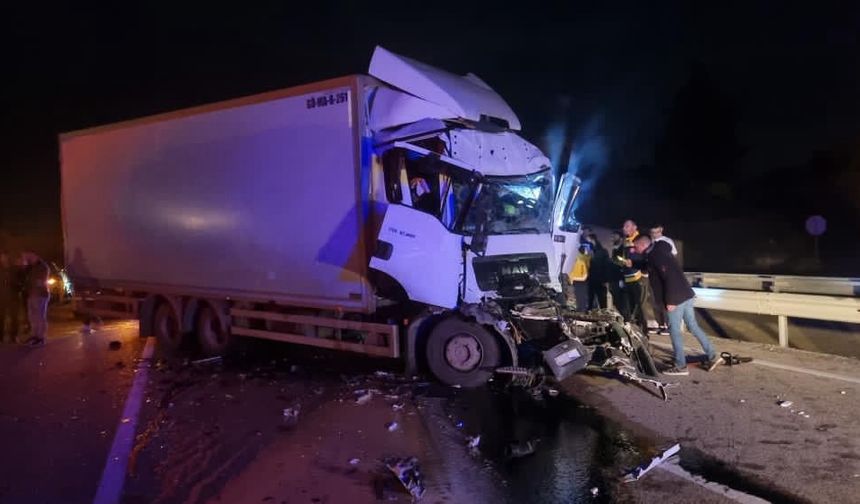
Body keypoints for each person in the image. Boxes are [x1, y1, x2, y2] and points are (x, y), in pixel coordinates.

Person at [632, 234, 722, 375]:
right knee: (692, 326)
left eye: (635, 246)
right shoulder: (657, 252)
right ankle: (712, 355)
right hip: (685, 294)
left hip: (676, 298)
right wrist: (632, 263)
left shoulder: (656, 255)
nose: (634, 249)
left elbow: (670, 277)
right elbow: (648, 267)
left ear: (643, 245)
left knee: (674, 331)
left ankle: (680, 366)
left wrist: (671, 301)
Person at [616, 219, 646, 328]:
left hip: (638, 278)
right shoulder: (626, 241)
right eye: (624, 226)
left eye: (627, 226)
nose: (624, 228)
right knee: (629, 306)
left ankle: (643, 331)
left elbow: (643, 258)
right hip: (628, 278)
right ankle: (632, 329)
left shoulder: (640, 240)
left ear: (635, 227)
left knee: (639, 308)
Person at [22, 252, 51, 347]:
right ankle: (34, 335)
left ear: (34, 255)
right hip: (31, 294)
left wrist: (33, 285)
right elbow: (24, 278)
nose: (26, 257)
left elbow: (40, 281)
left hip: (40, 295)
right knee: (32, 316)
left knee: (40, 316)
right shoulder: (30, 267)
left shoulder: (42, 266)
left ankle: (41, 337)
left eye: (27, 255)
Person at [585, 229, 610, 309]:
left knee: (601, 299)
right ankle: (591, 311)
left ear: (593, 240)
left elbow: (606, 265)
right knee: (591, 298)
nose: (587, 243)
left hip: (599, 278)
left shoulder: (601, 252)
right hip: (593, 277)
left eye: (589, 241)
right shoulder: (592, 252)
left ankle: (603, 313)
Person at [568, 232, 593, 312]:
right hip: (580, 279)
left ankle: (582, 309)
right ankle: (582, 309)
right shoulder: (580, 254)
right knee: (581, 296)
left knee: (581, 296)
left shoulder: (581, 254)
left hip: (581, 279)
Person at [608, 230, 628, 318]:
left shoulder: (623, 249)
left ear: (620, 238)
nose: (612, 238)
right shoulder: (615, 248)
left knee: (621, 299)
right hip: (614, 276)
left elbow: (623, 262)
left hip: (620, 276)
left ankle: (625, 317)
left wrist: (612, 261)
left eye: (615, 236)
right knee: (615, 296)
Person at [0, 251, 19, 343]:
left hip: (13, 297)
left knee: (14, 317)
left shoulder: (14, 269)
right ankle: (1, 336)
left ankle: (13, 336)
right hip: (2, 298)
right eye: (1, 257)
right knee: (1, 317)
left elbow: (19, 281)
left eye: (5, 257)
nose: (3, 259)